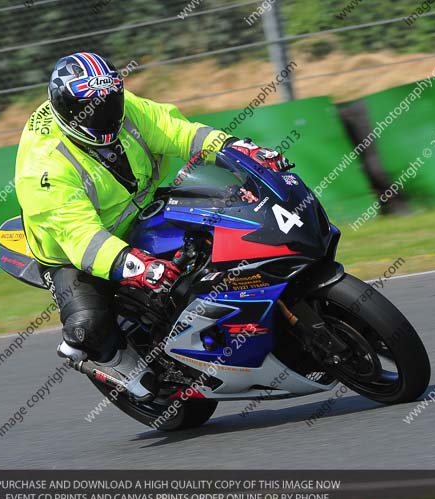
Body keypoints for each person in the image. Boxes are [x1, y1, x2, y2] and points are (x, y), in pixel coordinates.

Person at [15, 52, 291, 401]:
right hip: (75, 251)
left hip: (143, 207)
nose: (106, 114)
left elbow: (177, 132)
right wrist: (137, 266)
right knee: (89, 327)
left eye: (110, 102)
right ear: (69, 110)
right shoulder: (44, 169)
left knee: (226, 221)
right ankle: (107, 358)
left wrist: (235, 148)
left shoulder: (125, 108)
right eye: (94, 109)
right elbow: (80, 236)